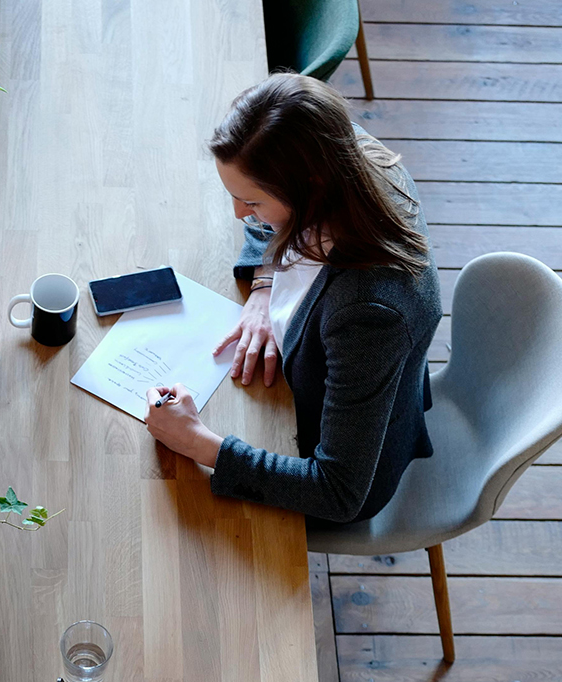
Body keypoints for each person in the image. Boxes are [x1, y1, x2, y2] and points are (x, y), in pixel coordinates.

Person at [144, 72, 442, 527]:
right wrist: (265, 286)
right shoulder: (338, 150)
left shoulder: (369, 313)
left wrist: (199, 442)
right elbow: (265, 221)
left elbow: (338, 491)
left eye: (253, 202)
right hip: (310, 388)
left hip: (333, 467)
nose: (239, 214)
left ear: (311, 186)